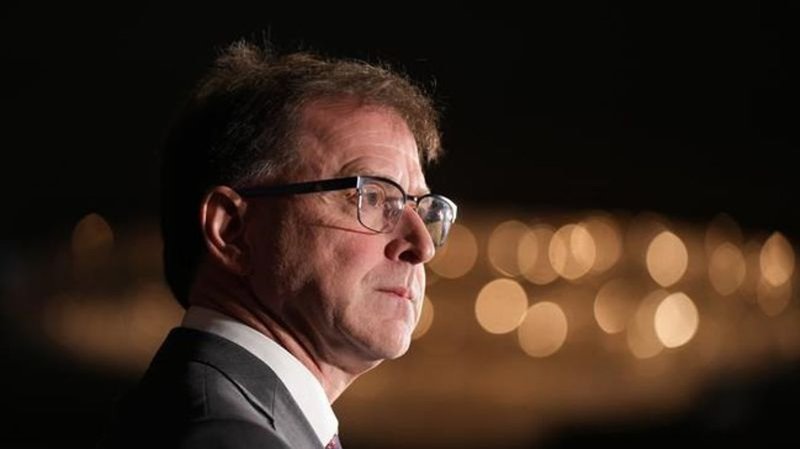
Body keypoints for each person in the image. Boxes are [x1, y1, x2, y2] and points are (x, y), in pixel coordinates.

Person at [100, 39, 457, 449]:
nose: (422, 246)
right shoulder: (225, 438)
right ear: (232, 230)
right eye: (371, 197)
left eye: (421, 208)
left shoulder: (208, 416)